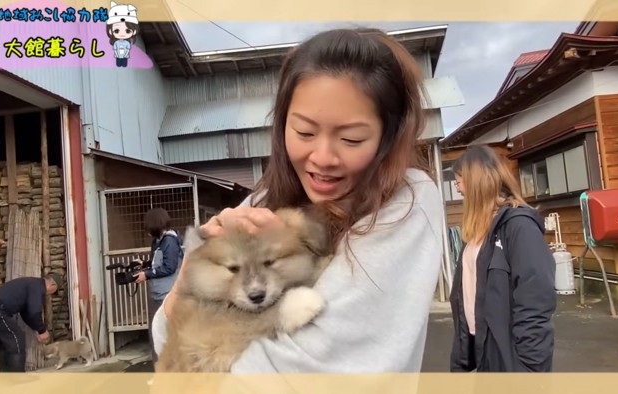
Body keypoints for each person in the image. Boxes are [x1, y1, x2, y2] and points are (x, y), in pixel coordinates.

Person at [151, 27, 445, 373]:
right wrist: (183, 289)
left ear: (388, 136)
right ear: (282, 125)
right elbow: (167, 336)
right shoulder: (264, 199)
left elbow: (305, 368)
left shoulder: (406, 200)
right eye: (304, 132)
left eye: (351, 139)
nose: (322, 157)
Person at [448, 145, 556, 373]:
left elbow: (535, 300)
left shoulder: (519, 226)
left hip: (511, 360)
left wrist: (530, 369)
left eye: (460, 180)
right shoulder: (477, 232)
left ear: (477, 181)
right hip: (481, 353)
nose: (458, 187)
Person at [0, 273, 62, 372]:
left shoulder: (32, 284)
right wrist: (42, 331)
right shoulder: (38, 286)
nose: (51, 294)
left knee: (6, 342)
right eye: (54, 292)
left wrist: (38, 329)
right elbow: (34, 312)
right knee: (16, 338)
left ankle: (6, 375)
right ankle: (18, 378)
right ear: (52, 285)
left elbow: (26, 313)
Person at [133, 207, 183, 364]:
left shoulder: (169, 241)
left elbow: (169, 267)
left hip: (167, 294)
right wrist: (145, 264)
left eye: (148, 227)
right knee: (157, 333)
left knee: (162, 333)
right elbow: (159, 263)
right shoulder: (158, 241)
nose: (147, 230)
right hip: (159, 294)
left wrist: (146, 274)